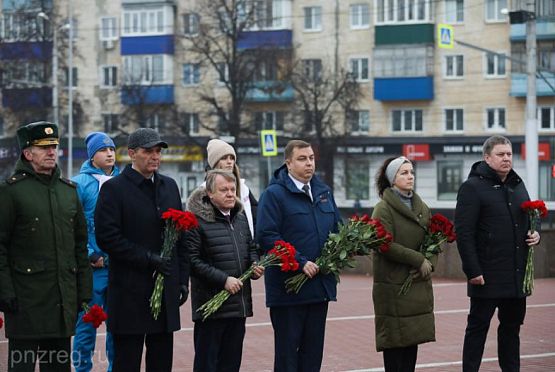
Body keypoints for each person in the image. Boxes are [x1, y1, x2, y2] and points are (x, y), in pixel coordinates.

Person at [94, 128, 189, 372]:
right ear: (132, 153)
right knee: (127, 362)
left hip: (163, 291)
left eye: (158, 151)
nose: (155, 156)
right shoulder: (114, 189)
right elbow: (108, 238)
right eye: (148, 151)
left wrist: (181, 281)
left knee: (161, 362)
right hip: (129, 292)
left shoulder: (169, 186)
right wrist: (147, 258)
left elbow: (180, 238)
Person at [0, 121, 92, 372]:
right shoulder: (10, 192)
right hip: (25, 301)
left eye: (54, 146)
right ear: (27, 154)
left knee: (58, 367)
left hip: (62, 301)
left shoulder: (68, 192)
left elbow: (79, 247)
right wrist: (4, 293)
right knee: (22, 367)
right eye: (44, 148)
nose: (52, 152)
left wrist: (84, 292)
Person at [455, 135, 540, 372]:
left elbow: (531, 217)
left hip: (515, 274)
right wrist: (473, 270)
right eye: (500, 154)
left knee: (511, 329)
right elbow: (464, 233)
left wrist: (536, 234)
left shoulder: (517, 184)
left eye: (509, 154)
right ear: (487, 157)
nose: (506, 159)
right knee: (477, 329)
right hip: (487, 275)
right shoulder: (472, 188)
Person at [256, 139, 341, 372]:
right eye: (302, 159)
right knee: (287, 358)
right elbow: (267, 237)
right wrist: (300, 262)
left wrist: (339, 253)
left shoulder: (324, 192)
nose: (309, 164)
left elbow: (338, 230)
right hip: (288, 292)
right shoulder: (274, 195)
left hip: (318, 289)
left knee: (312, 357)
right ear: (288, 163)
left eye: (311, 158)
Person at [185, 169, 263, 372]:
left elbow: (251, 247)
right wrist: (223, 280)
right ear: (210, 193)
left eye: (232, 189)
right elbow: (192, 261)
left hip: (238, 306)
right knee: (207, 364)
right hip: (210, 308)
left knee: (231, 364)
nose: (230, 194)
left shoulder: (240, 217)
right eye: (224, 190)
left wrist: (254, 264)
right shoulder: (197, 221)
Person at [370, 156, 435, 372]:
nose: (410, 177)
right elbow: (384, 244)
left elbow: (434, 240)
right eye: (403, 173)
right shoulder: (383, 209)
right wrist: (418, 260)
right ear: (392, 179)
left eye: (411, 172)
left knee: (411, 346)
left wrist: (430, 263)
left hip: (416, 284)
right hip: (393, 285)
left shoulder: (422, 207)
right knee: (396, 348)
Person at [72, 132, 119, 372]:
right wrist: (90, 254)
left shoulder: (125, 181)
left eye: (112, 148)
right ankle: (81, 369)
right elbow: (72, 225)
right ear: (92, 155)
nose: (110, 153)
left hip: (120, 268)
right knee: (86, 326)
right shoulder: (79, 184)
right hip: (93, 270)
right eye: (103, 150)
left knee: (118, 328)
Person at [205, 138, 257, 239]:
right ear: (214, 162)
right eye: (224, 158)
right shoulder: (205, 189)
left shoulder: (244, 188)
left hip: (245, 243)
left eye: (232, 158)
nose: (229, 162)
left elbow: (255, 215)